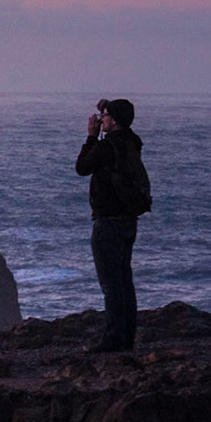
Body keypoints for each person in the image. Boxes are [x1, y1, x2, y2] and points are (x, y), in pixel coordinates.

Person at [75, 97, 150, 352]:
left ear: (114, 120)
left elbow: (82, 167)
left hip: (107, 222)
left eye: (105, 115)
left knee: (111, 284)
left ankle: (113, 340)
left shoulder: (108, 147)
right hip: (128, 220)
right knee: (124, 281)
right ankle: (126, 337)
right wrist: (107, 107)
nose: (101, 119)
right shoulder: (131, 142)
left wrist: (91, 137)